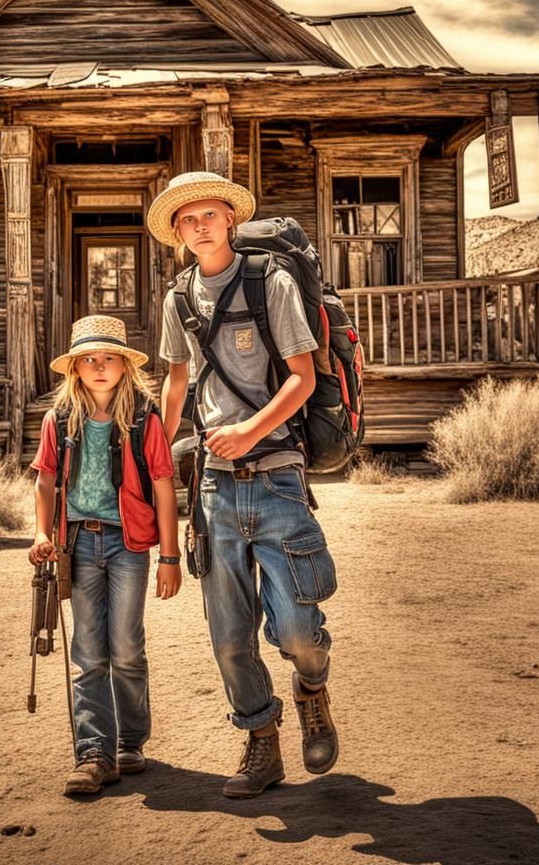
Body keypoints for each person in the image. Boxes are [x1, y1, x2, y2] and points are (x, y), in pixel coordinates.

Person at [149, 171, 339, 799]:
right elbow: (177, 382)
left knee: (294, 630)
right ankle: (262, 744)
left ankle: (312, 690)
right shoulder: (177, 300)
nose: (200, 226)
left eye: (210, 215)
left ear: (230, 220)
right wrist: (155, 447)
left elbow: (303, 379)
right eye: (188, 220)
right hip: (214, 489)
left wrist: (252, 432)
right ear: (178, 234)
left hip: (277, 476)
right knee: (230, 638)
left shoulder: (270, 282)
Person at [29, 314, 182, 796]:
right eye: (89, 359)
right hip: (77, 543)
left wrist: (170, 555)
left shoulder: (142, 418)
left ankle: (131, 740)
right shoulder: (60, 420)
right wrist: (40, 533)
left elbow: (162, 483)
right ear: (75, 368)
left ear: (124, 366)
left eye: (108, 359)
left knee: (126, 646)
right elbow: (45, 480)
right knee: (88, 650)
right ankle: (94, 751)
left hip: (128, 544)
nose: (99, 367)